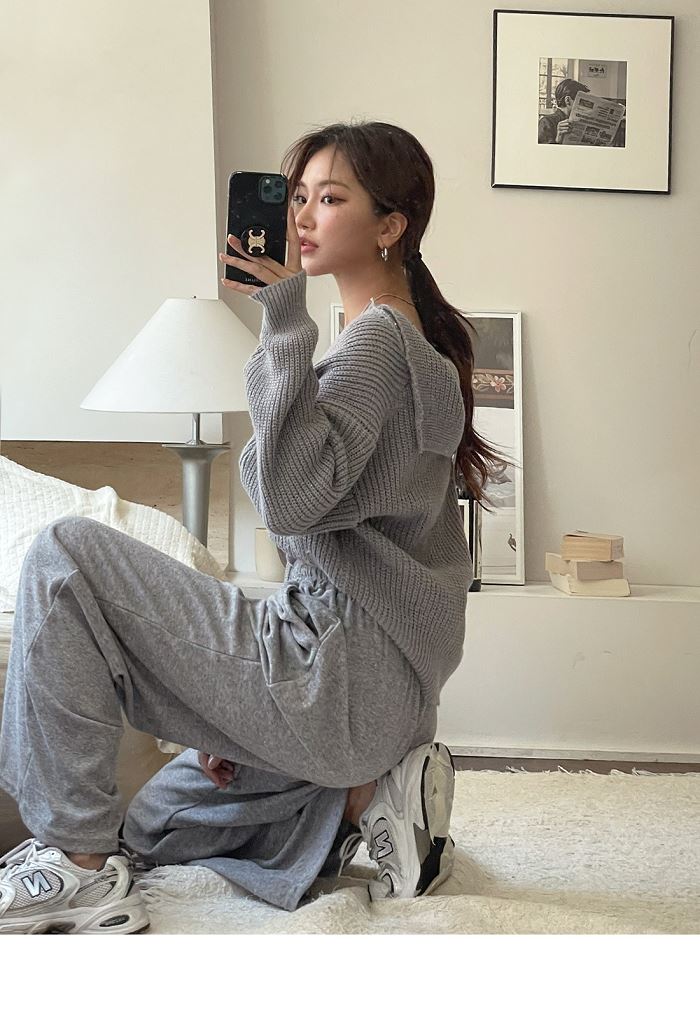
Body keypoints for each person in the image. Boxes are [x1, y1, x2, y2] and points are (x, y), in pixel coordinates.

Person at [0, 120, 509, 933]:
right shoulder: (415, 347)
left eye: (330, 198)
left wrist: (281, 319)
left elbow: (289, 503)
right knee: (157, 822)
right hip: (375, 693)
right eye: (297, 195)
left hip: (334, 679)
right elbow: (340, 550)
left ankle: (76, 866)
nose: (301, 215)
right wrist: (222, 707)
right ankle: (364, 796)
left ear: (391, 225)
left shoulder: (378, 346)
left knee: (66, 554)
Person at [538, 78, 591, 144]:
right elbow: (543, 150)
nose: (585, 106)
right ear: (568, 100)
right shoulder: (546, 122)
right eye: (582, 101)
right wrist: (558, 138)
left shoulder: (581, 120)